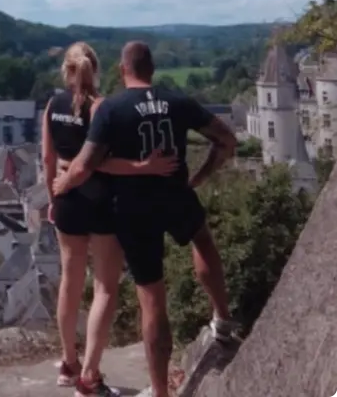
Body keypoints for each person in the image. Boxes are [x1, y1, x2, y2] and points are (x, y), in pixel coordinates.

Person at [53, 41, 237, 397]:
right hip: (175, 193)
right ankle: (223, 317)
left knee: (152, 300)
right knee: (202, 240)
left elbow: (85, 164)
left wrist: (63, 183)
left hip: (134, 209)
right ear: (152, 69)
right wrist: (200, 176)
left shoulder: (112, 108)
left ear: (123, 70)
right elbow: (226, 140)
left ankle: (160, 391)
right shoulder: (178, 101)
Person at [43, 42, 178, 396]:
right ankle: (90, 375)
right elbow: (103, 163)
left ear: (66, 71)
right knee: (105, 286)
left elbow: (47, 158)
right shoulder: (101, 107)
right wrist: (145, 166)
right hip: (100, 200)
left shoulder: (52, 106)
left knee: (70, 280)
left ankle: (68, 362)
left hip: (66, 198)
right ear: (97, 69)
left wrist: (53, 197)